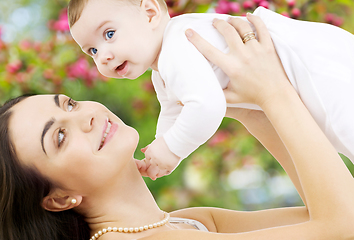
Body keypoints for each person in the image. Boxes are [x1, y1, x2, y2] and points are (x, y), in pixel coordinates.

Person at [1, 15, 354, 240]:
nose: (85, 117)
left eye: (70, 104)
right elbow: (342, 228)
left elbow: (328, 212)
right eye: (59, 137)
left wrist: (249, 106)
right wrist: (274, 90)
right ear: (60, 198)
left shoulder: (181, 224)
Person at [67, 0, 354, 180]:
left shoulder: (177, 45)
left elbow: (206, 106)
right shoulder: (163, 67)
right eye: (92, 50)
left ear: (151, 13)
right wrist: (160, 153)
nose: (103, 54)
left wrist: (171, 149)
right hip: (312, 69)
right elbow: (173, 111)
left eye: (109, 34)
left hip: (316, 71)